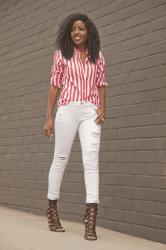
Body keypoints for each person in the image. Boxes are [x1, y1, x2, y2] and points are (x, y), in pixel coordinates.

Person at [43, 13, 108, 241]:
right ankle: (52, 211)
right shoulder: (61, 55)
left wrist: (102, 107)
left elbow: (100, 83)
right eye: (73, 30)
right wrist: (48, 117)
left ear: (88, 31)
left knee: (91, 160)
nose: (77, 32)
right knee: (60, 158)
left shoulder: (97, 56)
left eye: (81, 28)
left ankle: (90, 220)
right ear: (68, 34)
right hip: (67, 109)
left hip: (90, 110)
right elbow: (54, 85)